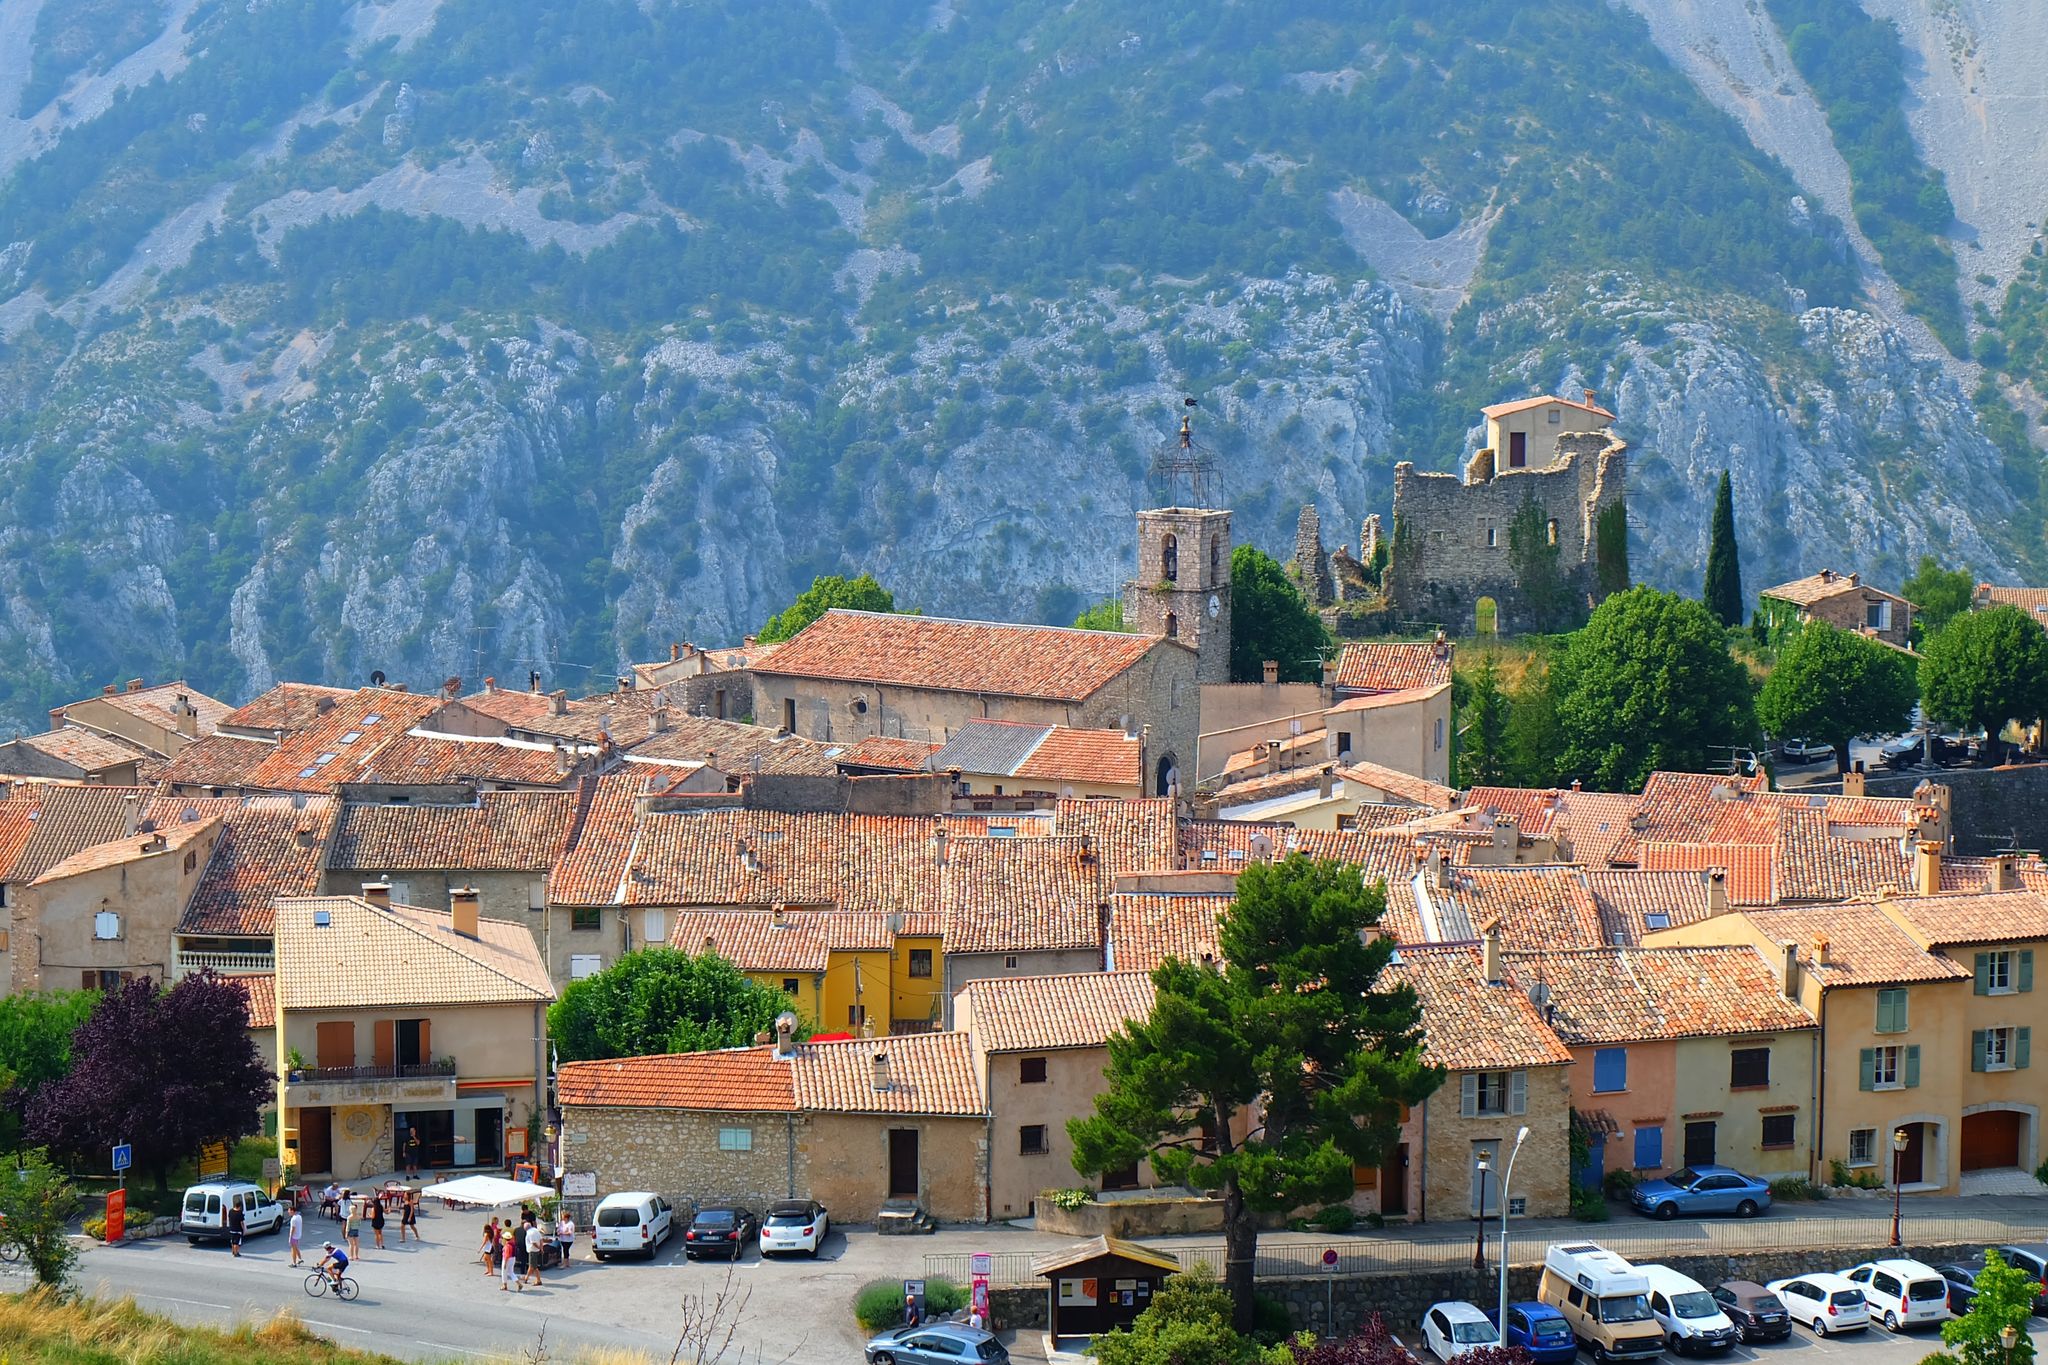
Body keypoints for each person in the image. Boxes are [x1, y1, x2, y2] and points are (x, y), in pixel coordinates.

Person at [523, 1217, 544, 1286]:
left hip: (532, 1251)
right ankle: (526, 1278)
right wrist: (541, 1248)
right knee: (531, 1265)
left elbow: (533, 1243)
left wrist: (540, 1248)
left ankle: (538, 1280)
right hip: (536, 1250)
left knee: (534, 1267)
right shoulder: (535, 1230)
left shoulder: (529, 1233)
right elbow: (541, 1239)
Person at [499, 1225, 520, 1292]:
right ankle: (518, 1283)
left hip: (507, 1259)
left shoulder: (507, 1246)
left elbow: (507, 1255)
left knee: (504, 1272)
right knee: (511, 1272)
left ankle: (504, 1285)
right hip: (513, 1258)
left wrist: (505, 1263)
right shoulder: (512, 1243)